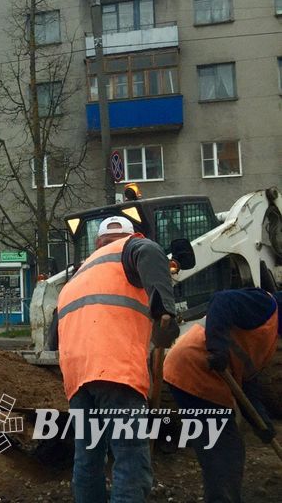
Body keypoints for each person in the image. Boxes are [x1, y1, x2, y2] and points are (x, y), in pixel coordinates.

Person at [57, 216, 180, 503]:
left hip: (77, 377)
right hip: (116, 369)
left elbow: (55, 335)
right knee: (130, 460)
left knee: (88, 459)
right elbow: (150, 251)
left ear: (97, 243)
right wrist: (164, 311)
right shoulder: (132, 248)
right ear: (131, 235)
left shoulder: (78, 275)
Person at [164, 288, 280, 503]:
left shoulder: (269, 336)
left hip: (204, 377)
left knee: (226, 449)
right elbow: (221, 299)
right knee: (223, 450)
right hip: (194, 366)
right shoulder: (265, 305)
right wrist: (218, 348)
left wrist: (261, 422)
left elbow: (247, 380)